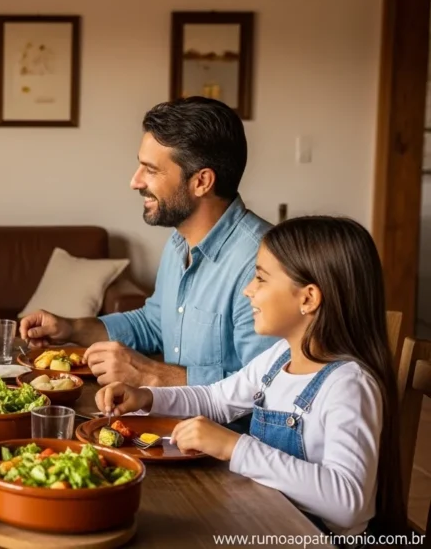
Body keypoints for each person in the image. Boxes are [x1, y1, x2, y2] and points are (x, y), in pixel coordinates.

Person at [96, 216, 406, 537]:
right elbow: (214, 398)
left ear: (308, 298)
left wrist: (234, 447)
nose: (248, 290)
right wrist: (147, 397)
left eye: (260, 278)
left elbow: (348, 502)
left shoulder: (349, 385)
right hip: (263, 521)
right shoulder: (279, 359)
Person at [21, 97, 276, 387]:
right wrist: (71, 328)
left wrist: (150, 375)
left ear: (202, 182)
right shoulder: (179, 242)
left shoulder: (265, 262)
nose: (135, 181)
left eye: (151, 170)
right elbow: (154, 324)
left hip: (222, 431)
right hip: (167, 423)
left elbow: (266, 388)